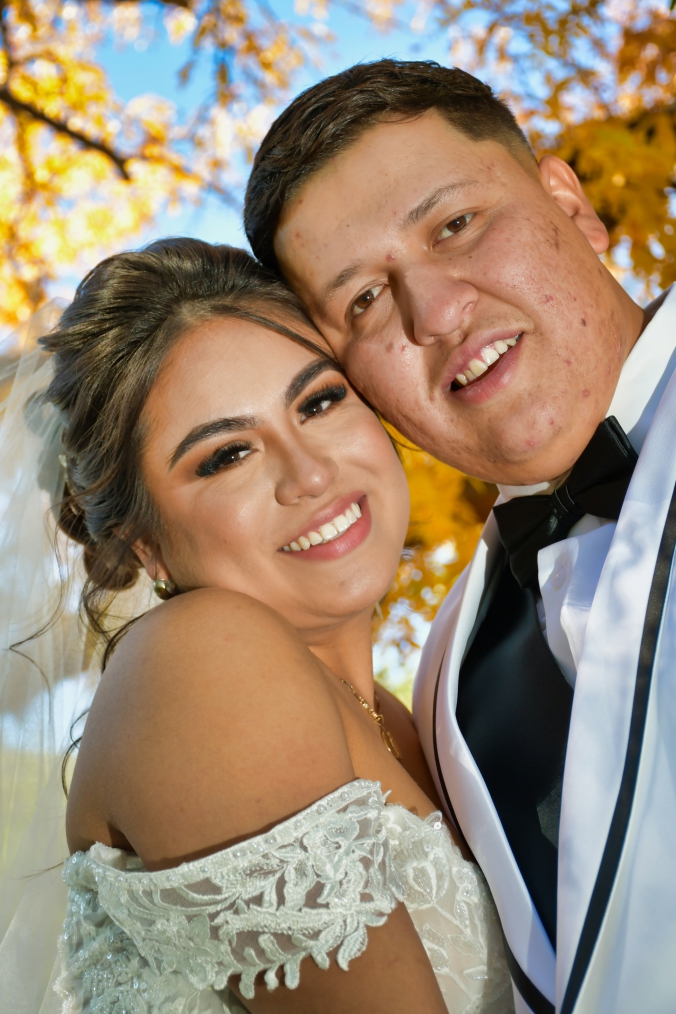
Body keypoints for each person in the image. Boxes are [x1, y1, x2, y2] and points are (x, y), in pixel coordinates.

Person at [243, 59, 676, 1014]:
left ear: (571, 204)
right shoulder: (438, 681)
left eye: (455, 225)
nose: (435, 313)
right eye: (363, 301)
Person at [0, 238, 513, 1013]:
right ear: (144, 545)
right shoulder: (204, 659)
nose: (310, 473)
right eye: (227, 455)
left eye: (319, 402)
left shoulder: (413, 714)